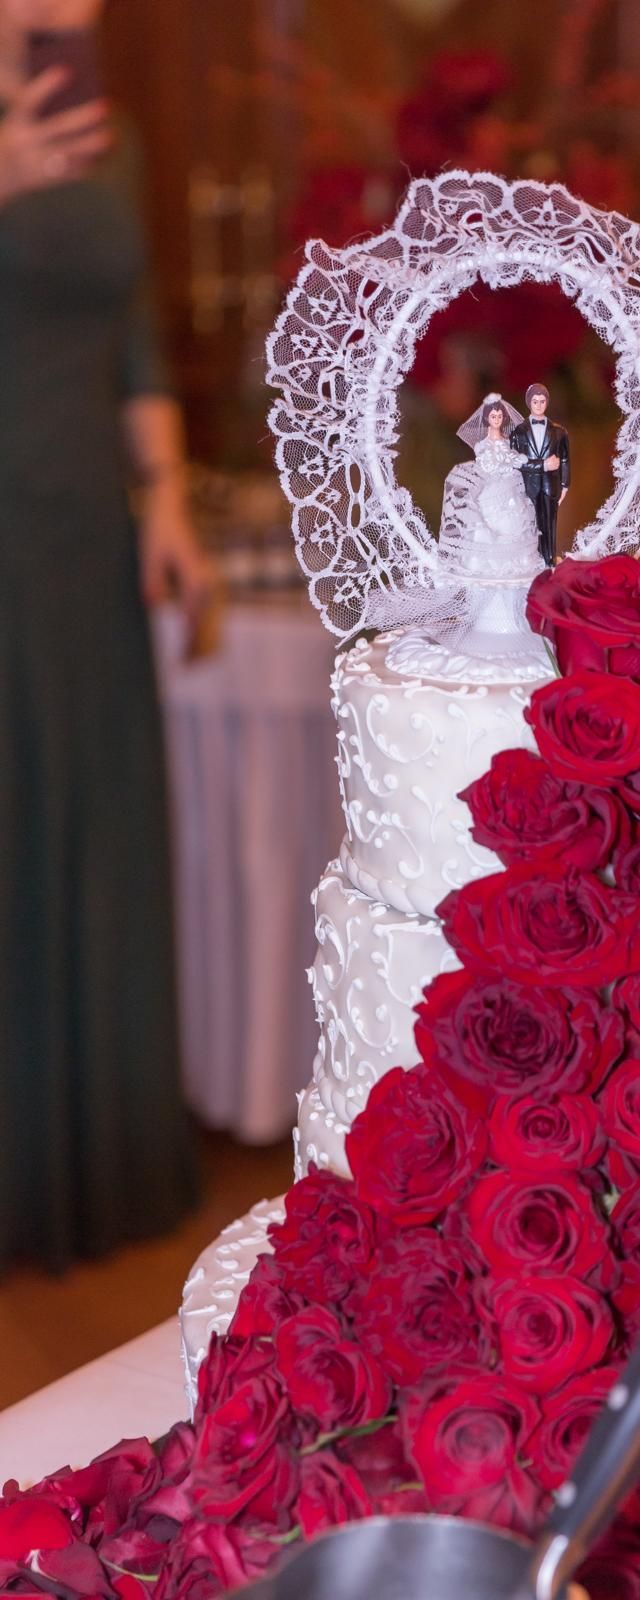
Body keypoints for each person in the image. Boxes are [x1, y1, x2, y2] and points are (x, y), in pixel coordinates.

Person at [0, 0, 212, 1269]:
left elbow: (132, 329)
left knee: (94, 814)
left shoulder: (110, 131)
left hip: (85, 526)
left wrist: (168, 501)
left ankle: (106, 1164)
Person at [439, 392, 541, 579]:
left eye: (500, 416)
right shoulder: (483, 445)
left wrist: (517, 460)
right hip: (492, 485)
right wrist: (504, 462)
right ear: (487, 418)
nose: (497, 419)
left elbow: (511, 458)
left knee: (518, 518)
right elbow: (488, 464)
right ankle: (493, 560)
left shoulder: (507, 440)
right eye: (493, 416)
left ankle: (518, 560)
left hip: (510, 483)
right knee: (492, 521)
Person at [509, 381, 571, 566]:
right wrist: (543, 465)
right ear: (529, 403)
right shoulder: (518, 432)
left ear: (547, 402)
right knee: (530, 524)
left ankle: (549, 559)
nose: (538, 405)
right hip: (528, 486)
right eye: (535, 401)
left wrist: (565, 484)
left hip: (550, 485)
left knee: (550, 523)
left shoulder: (559, 432)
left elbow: (565, 460)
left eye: (542, 401)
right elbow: (515, 462)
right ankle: (531, 559)